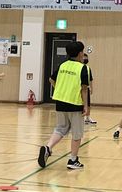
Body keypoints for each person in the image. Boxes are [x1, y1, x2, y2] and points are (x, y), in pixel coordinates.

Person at [38, 41, 89, 170]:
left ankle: (48, 148)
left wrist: (59, 89)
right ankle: (73, 160)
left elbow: (51, 79)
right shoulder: (83, 68)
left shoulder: (62, 65)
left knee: (61, 128)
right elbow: (84, 88)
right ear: (79, 53)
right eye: (82, 51)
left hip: (60, 102)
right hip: (75, 103)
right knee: (77, 134)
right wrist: (86, 106)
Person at [83, 56, 97, 125]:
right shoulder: (78, 67)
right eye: (84, 58)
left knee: (88, 104)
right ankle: (81, 118)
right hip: (79, 89)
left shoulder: (88, 68)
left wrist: (91, 88)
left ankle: (88, 117)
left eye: (86, 58)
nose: (85, 59)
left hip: (86, 88)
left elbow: (91, 79)